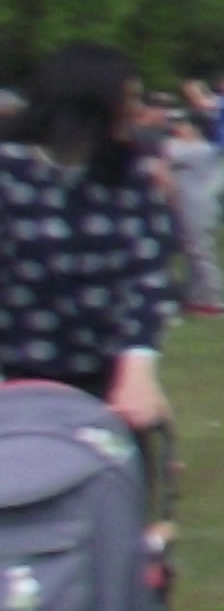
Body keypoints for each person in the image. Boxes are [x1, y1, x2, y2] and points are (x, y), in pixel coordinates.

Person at [1, 43, 178, 429]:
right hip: (15, 379)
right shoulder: (10, 174)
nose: (138, 110)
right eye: (130, 98)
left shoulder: (132, 178)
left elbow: (148, 277)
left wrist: (138, 368)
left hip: (105, 382)